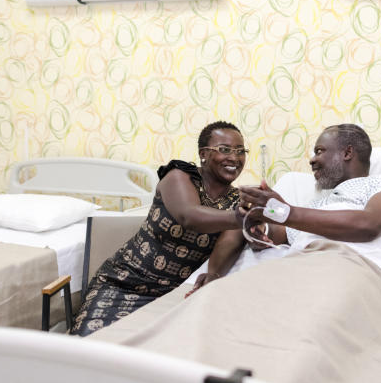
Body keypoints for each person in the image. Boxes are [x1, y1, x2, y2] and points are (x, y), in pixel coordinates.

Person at [71, 121, 251, 336]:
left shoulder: (237, 201)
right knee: (92, 342)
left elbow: (229, 241)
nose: (234, 158)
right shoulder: (179, 177)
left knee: (155, 355)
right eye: (224, 150)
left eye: (241, 151)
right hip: (123, 282)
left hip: (173, 293)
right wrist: (244, 218)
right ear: (204, 154)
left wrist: (213, 274)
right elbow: (189, 215)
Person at [238, 124, 381, 247]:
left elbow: (369, 225)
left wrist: (286, 211)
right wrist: (260, 225)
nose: (312, 160)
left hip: (354, 269)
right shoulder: (319, 206)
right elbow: (280, 235)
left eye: (319, 151)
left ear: (347, 152)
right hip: (304, 266)